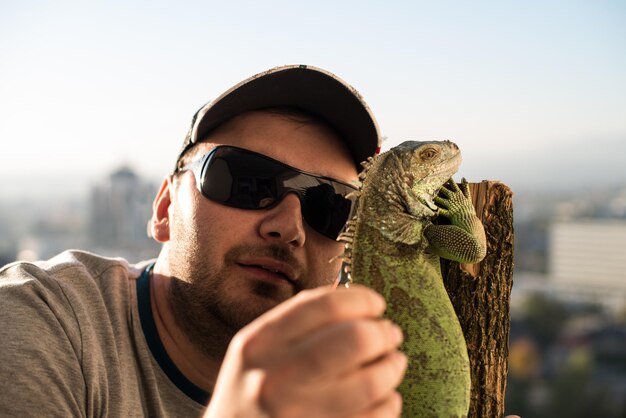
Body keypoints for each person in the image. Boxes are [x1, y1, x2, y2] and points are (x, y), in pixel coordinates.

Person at [0, 65, 409, 417]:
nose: (288, 227)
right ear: (164, 210)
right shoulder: (40, 321)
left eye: (331, 207)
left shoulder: (380, 380)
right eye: (245, 182)